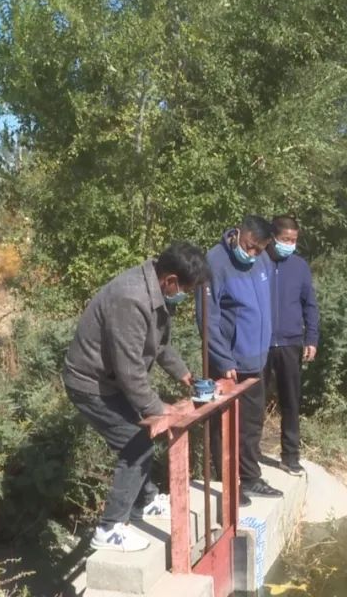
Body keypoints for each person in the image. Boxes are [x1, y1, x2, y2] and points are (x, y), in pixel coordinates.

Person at [64, 241, 210, 552]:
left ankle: (145, 500)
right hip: (90, 383)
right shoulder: (131, 298)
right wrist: (159, 409)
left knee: (142, 436)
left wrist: (184, 374)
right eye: (187, 288)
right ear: (171, 280)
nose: (187, 295)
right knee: (137, 442)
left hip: (111, 381)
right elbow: (130, 369)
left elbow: (157, 344)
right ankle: (109, 528)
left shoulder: (153, 291)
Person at [200, 215, 284, 504]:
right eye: (249, 246)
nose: (251, 254)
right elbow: (207, 319)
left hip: (257, 359)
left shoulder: (261, 260)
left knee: (252, 423)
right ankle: (228, 484)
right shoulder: (215, 262)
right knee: (224, 427)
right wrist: (224, 360)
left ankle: (249, 477)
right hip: (230, 364)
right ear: (238, 233)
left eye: (258, 249)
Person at [265, 215, 319, 477]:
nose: (290, 244)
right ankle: (247, 460)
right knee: (253, 406)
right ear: (273, 237)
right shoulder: (258, 263)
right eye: (286, 239)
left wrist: (312, 338)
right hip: (260, 344)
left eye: (294, 240)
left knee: (291, 402)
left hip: (291, 343)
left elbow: (310, 304)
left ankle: (290, 457)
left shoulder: (300, 266)